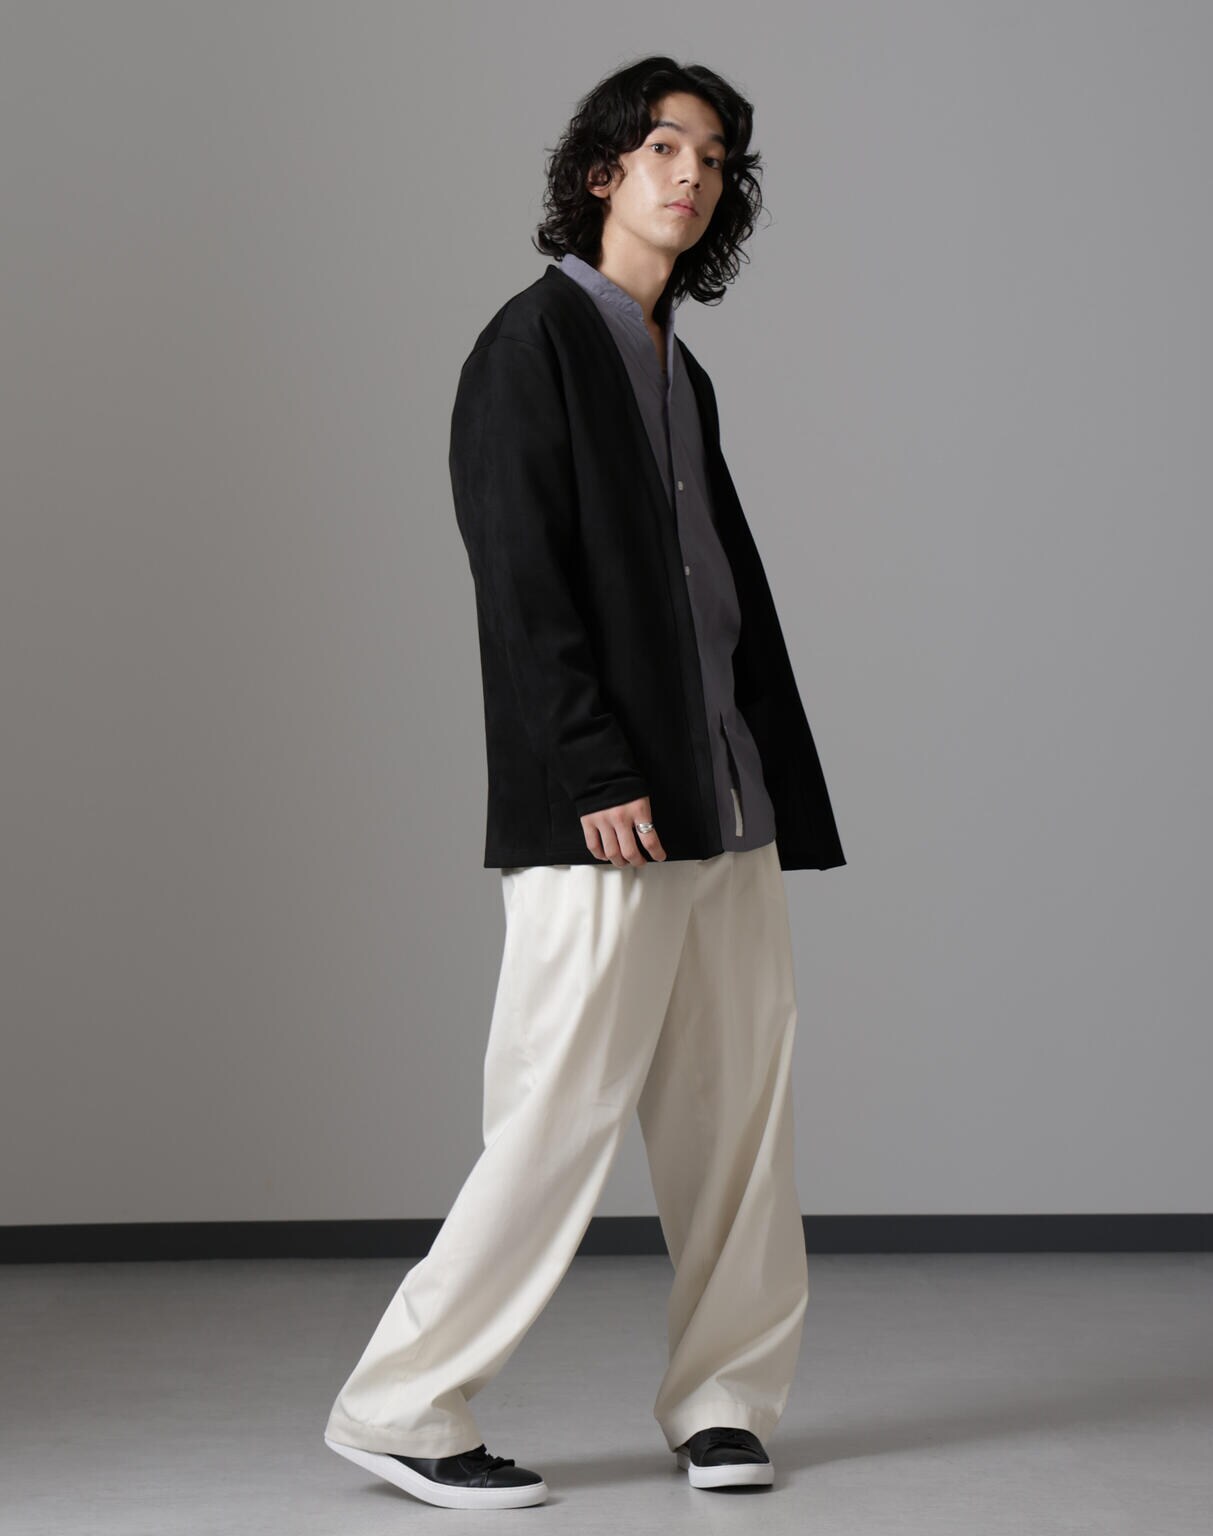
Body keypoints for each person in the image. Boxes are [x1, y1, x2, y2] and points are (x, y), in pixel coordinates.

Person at [323, 55, 844, 1510]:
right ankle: (402, 1401)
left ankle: (725, 1402)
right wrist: (594, 762)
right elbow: (519, 581)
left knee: (739, 1124)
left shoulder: (681, 368)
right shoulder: (531, 345)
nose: (694, 175)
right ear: (604, 169)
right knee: (556, 1115)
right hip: (608, 807)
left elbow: (710, 594)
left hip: (724, 796)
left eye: (717, 159)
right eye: (666, 147)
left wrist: (754, 767)